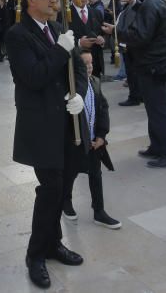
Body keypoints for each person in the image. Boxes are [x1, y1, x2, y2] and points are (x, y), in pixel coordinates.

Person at [6, 0, 88, 289]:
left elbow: (78, 69)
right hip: (41, 125)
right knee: (51, 187)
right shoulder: (17, 35)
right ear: (30, 1)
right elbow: (33, 77)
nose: (53, 0)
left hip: (67, 121)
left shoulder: (55, 29)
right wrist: (59, 50)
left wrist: (78, 94)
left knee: (64, 185)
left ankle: (53, 243)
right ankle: (35, 254)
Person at [109, 0, 166, 168]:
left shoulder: (151, 3)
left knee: (159, 111)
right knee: (155, 108)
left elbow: (139, 36)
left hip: (154, 64)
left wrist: (117, 31)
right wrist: (134, 2)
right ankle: (157, 147)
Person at [62, 50, 120, 230]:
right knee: (70, 174)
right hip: (77, 141)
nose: (88, 67)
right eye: (84, 64)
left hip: (95, 141)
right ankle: (66, 202)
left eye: (91, 63)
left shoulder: (95, 82)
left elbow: (103, 108)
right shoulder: (70, 88)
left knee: (95, 174)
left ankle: (99, 211)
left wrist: (102, 135)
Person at [64, 0, 105, 78]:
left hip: (95, 63)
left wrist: (102, 40)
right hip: (76, 64)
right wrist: (79, 42)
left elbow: (102, 32)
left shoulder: (96, 13)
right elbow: (62, 38)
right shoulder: (65, 16)